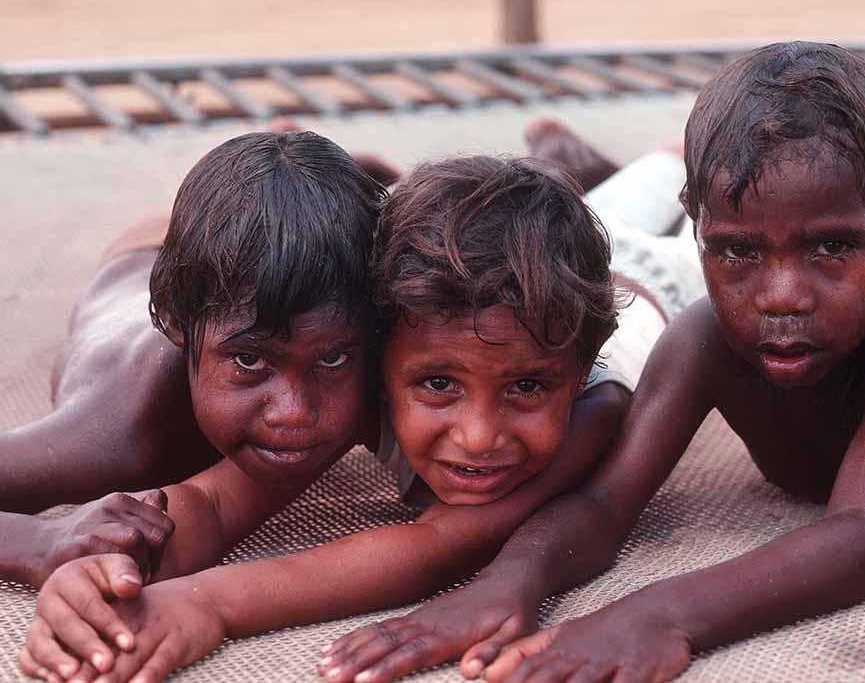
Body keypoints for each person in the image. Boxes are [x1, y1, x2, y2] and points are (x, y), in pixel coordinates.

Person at [315, 41, 865, 683]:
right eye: (737, 251)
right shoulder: (704, 338)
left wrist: (662, 614)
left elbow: (862, 532)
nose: (782, 295)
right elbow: (603, 502)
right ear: (696, 229)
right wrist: (511, 581)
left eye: (830, 247)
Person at [18, 136, 705, 682]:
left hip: (652, 280)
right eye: (437, 385)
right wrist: (117, 569)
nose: (478, 435)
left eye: (524, 390)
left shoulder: (588, 404)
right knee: (605, 201)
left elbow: (431, 544)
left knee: (660, 201)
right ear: (385, 349)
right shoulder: (359, 365)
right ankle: (592, 161)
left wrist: (210, 603)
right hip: (531, 290)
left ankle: (661, 156)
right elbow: (217, 504)